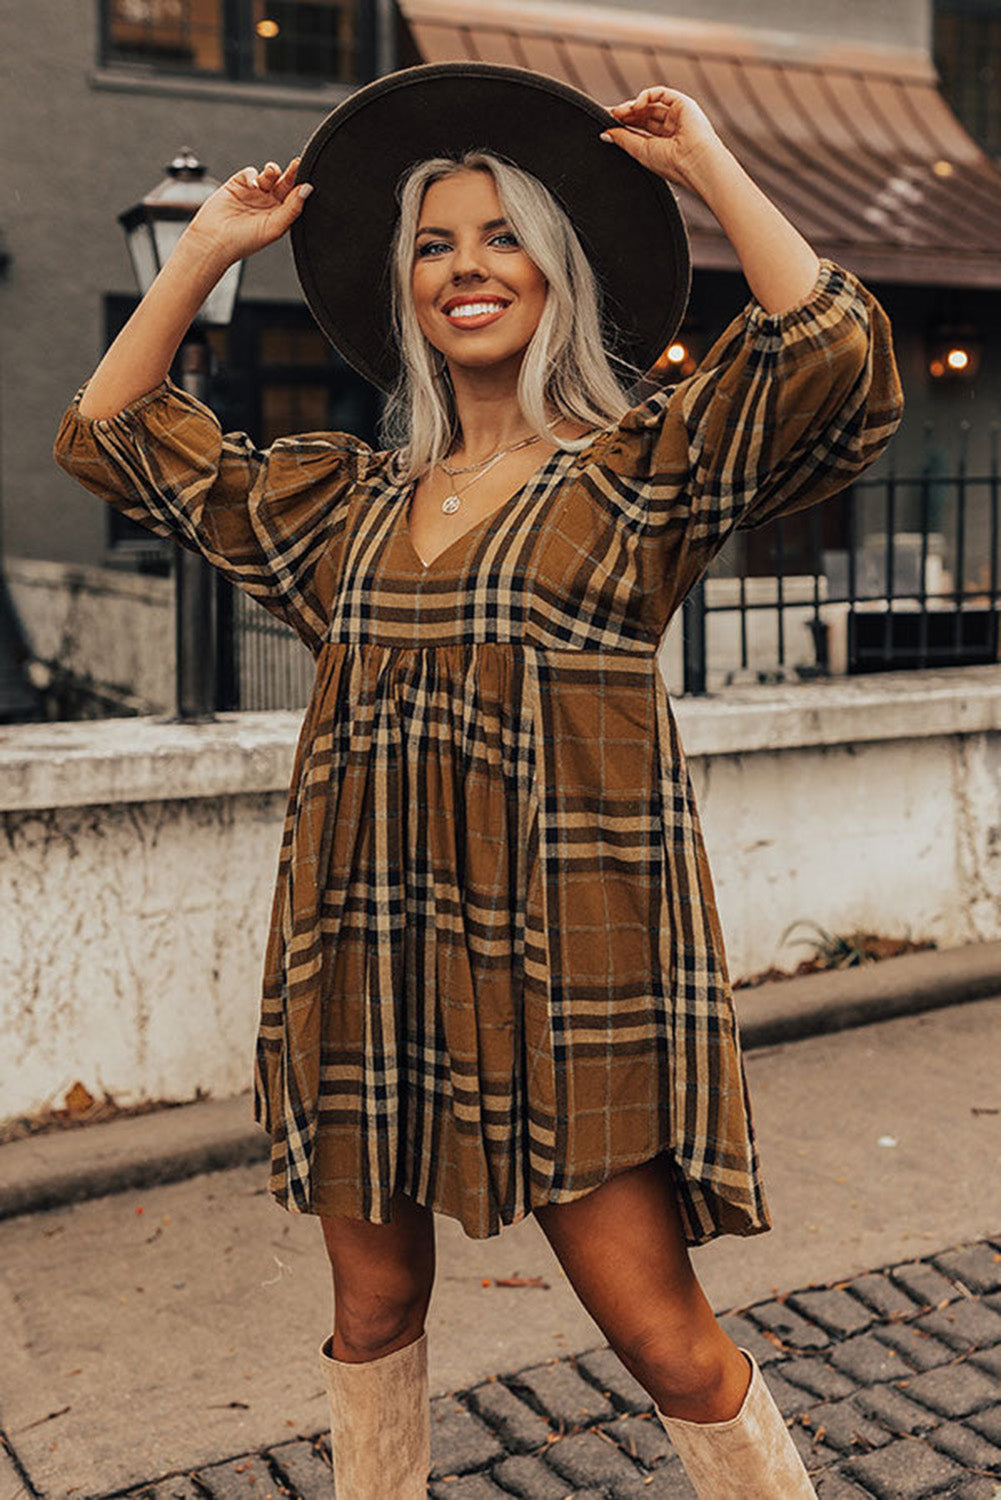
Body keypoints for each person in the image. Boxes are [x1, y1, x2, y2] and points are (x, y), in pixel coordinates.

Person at [54, 63, 903, 1500]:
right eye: (434, 243)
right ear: (408, 292)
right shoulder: (349, 504)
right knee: (372, 1317)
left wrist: (703, 164)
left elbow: (831, 355)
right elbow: (113, 436)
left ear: (555, 274)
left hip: (572, 974)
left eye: (502, 234)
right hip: (371, 961)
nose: (466, 266)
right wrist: (200, 252)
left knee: (665, 1342)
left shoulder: (636, 473)